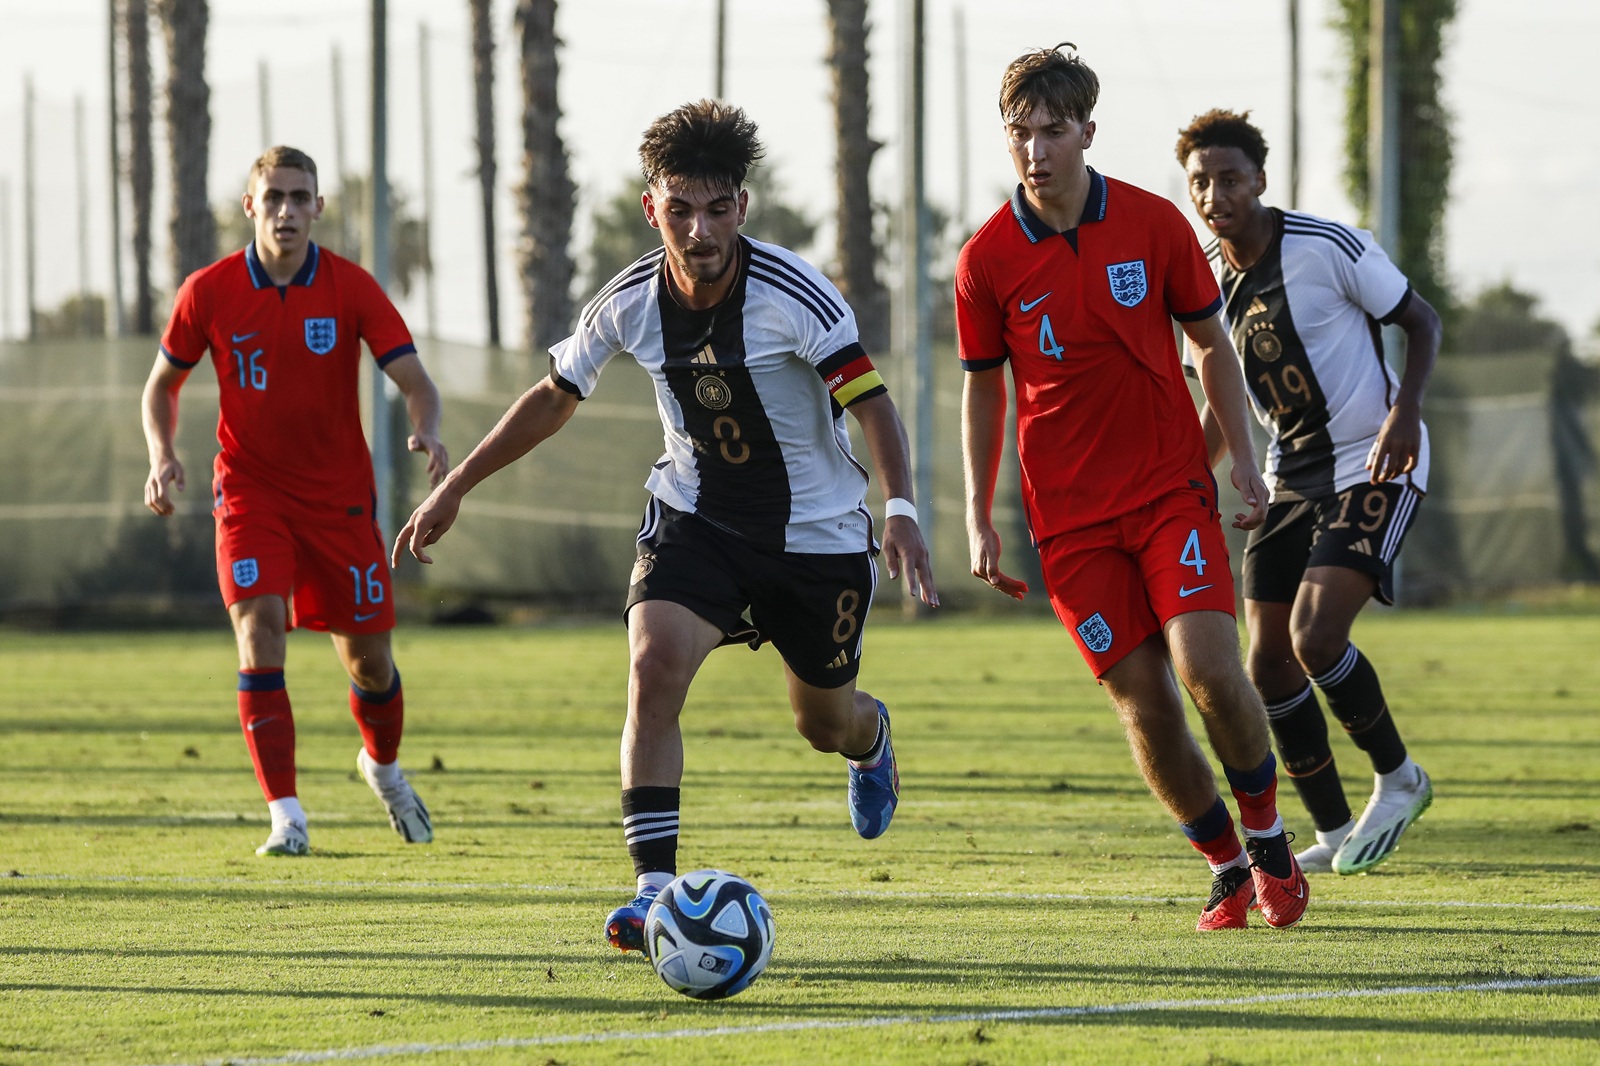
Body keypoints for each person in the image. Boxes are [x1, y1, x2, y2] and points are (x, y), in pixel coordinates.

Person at [392, 100, 938, 952]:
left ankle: (871, 741)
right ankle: (652, 892)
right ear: (653, 209)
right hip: (696, 520)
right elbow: (553, 397)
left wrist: (899, 511)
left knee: (821, 724)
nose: (699, 229)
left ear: (741, 209)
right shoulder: (630, 300)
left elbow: (873, 406)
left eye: (717, 208)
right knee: (652, 667)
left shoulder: (796, 295)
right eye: (679, 209)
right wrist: (455, 486)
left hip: (818, 539)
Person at [956, 45, 1308, 931]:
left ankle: (1268, 840)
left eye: (1051, 131)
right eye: (1019, 133)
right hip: (1068, 524)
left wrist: (1239, 455)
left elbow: (1210, 348)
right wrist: (975, 513)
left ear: (1087, 132)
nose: (1034, 150)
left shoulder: (1155, 226)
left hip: (1166, 493)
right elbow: (983, 387)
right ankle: (1227, 864)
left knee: (1207, 670)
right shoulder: (986, 259)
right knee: (1144, 704)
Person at [141, 146, 448, 858]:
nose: (285, 209)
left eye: (298, 196)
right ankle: (287, 814)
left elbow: (414, 378)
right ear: (250, 206)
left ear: (317, 208)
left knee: (369, 662)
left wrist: (426, 429)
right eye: (272, 196)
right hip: (249, 493)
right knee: (259, 630)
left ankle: (385, 768)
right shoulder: (209, 290)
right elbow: (161, 385)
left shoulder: (349, 287)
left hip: (340, 502)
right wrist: (162, 454)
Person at [1176, 109, 1438, 875]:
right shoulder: (1204, 280)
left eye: (1229, 178)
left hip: (1374, 462)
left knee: (1316, 637)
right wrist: (1195, 479)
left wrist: (1406, 413)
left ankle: (1399, 778)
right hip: (1292, 476)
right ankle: (1329, 832)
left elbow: (1422, 322)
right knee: (1268, 667)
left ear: (1260, 180)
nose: (1215, 193)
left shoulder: (1326, 247)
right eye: (1201, 181)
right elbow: (1219, 398)